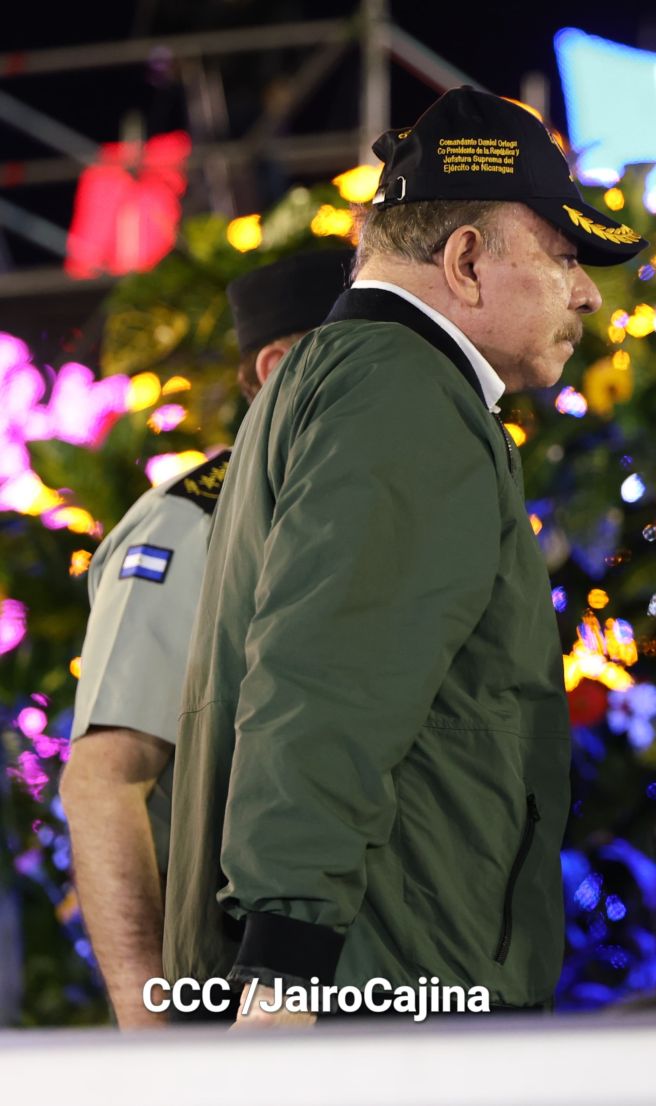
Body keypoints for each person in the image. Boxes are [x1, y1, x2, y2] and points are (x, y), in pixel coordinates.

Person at [162, 87, 644, 1026]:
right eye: (563, 254)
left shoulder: (338, 372)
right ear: (466, 259)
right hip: (383, 994)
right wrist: (287, 969)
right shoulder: (405, 391)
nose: (585, 290)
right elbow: (327, 682)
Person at [60, 248, 351, 1028]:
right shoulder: (196, 519)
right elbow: (102, 782)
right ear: (280, 364)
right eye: (360, 348)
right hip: (228, 995)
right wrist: (154, 1031)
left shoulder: (343, 512)